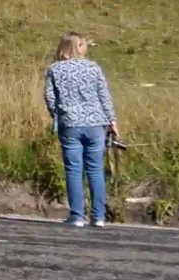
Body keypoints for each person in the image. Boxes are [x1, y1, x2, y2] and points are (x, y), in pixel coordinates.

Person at [44, 32, 118, 227]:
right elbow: (103, 95)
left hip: (70, 123)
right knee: (95, 169)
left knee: (74, 170)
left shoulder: (55, 69)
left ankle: (77, 215)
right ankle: (98, 216)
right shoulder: (93, 68)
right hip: (95, 123)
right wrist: (112, 120)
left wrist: (57, 115)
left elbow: (50, 97)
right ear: (79, 47)